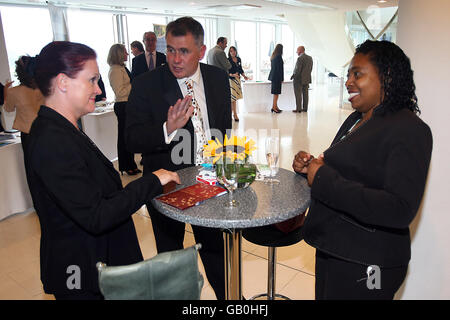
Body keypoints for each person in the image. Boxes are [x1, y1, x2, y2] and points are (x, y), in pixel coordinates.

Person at [26, 41, 180, 300]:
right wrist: (151, 181)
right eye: (92, 80)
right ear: (63, 82)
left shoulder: (65, 129)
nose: (98, 89)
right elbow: (95, 214)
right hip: (83, 273)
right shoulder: (51, 139)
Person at [292, 40, 432, 300]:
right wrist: (309, 167)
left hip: (369, 261)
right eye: (348, 75)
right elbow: (351, 169)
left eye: (358, 74)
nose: (348, 81)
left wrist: (322, 177)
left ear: (387, 76)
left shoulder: (409, 129)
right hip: (336, 249)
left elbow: (399, 208)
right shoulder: (357, 118)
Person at [125, 16, 231, 300]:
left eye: (183, 51)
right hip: (166, 186)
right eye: (170, 49)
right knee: (170, 258)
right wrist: (166, 129)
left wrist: (225, 162)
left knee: (215, 252)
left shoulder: (218, 78)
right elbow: (131, 138)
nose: (174, 58)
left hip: (210, 184)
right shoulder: (147, 84)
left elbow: (222, 126)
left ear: (200, 49)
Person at [107, 43, 140, 176]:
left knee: (129, 136)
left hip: (128, 104)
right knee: (124, 137)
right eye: (125, 52)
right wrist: (133, 85)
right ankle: (125, 165)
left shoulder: (121, 68)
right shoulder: (115, 70)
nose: (127, 54)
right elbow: (120, 92)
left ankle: (130, 163)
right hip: (122, 105)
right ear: (119, 54)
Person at [3, 56, 44, 152]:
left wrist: (6, 91)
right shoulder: (44, 89)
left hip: (27, 133)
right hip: (45, 130)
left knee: (31, 163)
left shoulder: (14, 91)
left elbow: (8, 109)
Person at [227, 46, 248, 122]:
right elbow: (227, 71)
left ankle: (234, 113)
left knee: (235, 98)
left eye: (234, 51)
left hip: (238, 80)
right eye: (231, 51)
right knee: (232, 98)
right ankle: (234, 114)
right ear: (229, 53)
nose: (233, 52)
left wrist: (244, 76)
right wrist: (233, 75)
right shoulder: (228, 60)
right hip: (231, 80)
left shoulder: (239, 59)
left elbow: (240, 69)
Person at [291, 46, 313, 113]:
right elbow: (310, 68)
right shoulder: (310, 58)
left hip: (299, 79)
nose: (296, 52)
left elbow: (297, 70)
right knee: (305, 94)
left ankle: (298, 109)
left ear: (300, 50)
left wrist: (293, 76)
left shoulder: (300, 58)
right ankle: (305, 108)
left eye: (297, 50)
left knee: (298, 94)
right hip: (307, 79)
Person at [268, 44, 283, 113]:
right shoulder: (279, 57)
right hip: (277, 77)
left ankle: (275, 106)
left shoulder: (273, 56)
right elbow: (280, 69)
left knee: (275, 93)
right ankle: (274, 107)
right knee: (276, 93)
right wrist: (282, 78)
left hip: (273, 77)